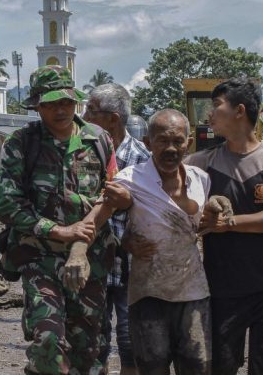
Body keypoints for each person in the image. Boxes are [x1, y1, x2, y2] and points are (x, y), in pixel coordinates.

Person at [0, 65, 120, 374]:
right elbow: (6, 205)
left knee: (90, 347)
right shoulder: (21, 143)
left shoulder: (99, 140)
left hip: (92, 259)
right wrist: (59, 231)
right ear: (37, 105)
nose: (60, 110)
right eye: (50, 104)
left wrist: (79, 241)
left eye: (65, 102)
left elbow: (111, 195)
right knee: (48, 338)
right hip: (40, 258)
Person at [187, 77, 263, 375]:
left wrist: (230, 223)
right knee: (220, 368)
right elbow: (177, 210)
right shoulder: (200, 163)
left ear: (239, 111)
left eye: (216, 106)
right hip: (222, 287)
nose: (209, 114)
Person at [111, 109, 212, 374]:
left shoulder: (201, 179)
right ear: (148, 143)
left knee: (196, 366)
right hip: (147, 292)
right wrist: (126, 242)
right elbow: (105, 224)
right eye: (162, 141)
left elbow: (201, 226)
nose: (170, 148)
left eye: (177, 141)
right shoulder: (129, 180)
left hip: (192, 291)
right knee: (152, 367)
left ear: (188, 143)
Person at [83, 83, 150, 374]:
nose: (83, 115)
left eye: (91, 110)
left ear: (112, 118)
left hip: (127, 263)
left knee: (129, 339)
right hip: (88, 260)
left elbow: (151, 211)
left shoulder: (141, 158)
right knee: (92, 338)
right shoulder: (81, 153)